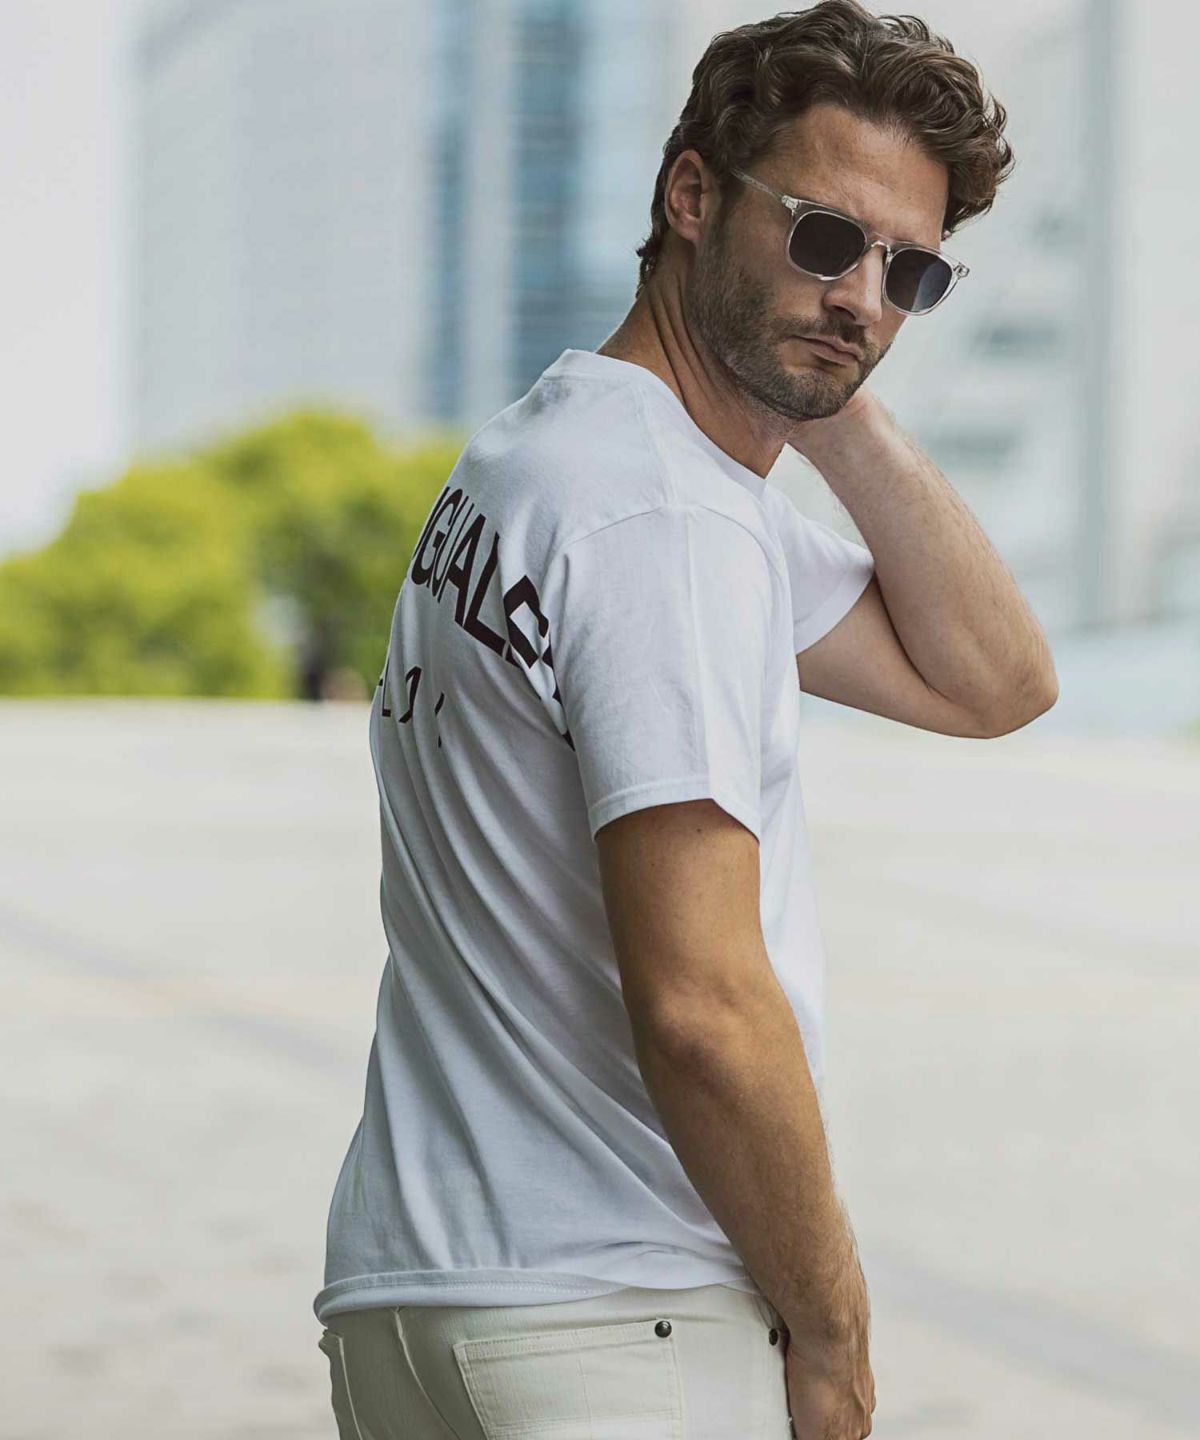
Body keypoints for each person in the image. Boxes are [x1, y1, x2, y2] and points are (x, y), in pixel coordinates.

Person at [313, 4, 1057, 1437]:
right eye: (824, 238)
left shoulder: (548, 455)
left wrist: (816, 372)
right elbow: (705, 1007)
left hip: (422, 1304)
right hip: (613, 1318)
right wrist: (832, 1333)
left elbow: (995, 682)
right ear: (693, 196)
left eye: (908, 272)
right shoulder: (668, 523)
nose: (866, 301)